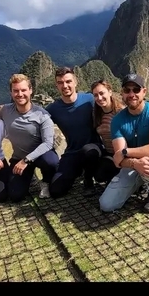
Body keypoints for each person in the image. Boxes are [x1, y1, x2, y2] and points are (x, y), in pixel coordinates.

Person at [99, 73, 149, 214]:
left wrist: (126, 152)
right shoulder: (118, 121)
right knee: (106, 204)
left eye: (136, 90)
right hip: (134, 164)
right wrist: (135, 163)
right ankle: (140, 182)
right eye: (127, 90)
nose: (132, 94)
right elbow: (118, 161)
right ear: (122, 93)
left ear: (144, 92)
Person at [0, 73, 59, 201]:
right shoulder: (5, 110)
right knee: (15, 195)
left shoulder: (42, 115)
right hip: (19, 157)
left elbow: (48, 143)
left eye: (23, 90)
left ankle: (46, 182)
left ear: (30, 90)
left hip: (40, 156)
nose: (20, 94)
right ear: (11, 93)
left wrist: (26, 160)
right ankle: (30, 179)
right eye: (16, 91)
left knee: (51, 162)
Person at [46, 66, 100, 198]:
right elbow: (35, 119)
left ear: (75, 82)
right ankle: (76, 170)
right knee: (56, 190)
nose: (65, 86)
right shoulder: (53, 109)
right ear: (56, 86)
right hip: (72, 152)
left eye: (68, 81)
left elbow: (112, 105)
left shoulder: (90, 100)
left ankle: (88, 179)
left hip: (93, 149)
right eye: (60, 83)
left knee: (89, 151)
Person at [89, 79, 125, 187]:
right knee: (99, 176)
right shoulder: (96, 114)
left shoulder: (121, 112)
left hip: (124, 153)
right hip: (109, 153)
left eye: (101, 93)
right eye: (95, 95)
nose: (99, 98)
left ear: (110, 92)